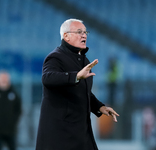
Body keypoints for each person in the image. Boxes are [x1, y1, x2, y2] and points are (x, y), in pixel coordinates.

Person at [35, 18, 119, 150]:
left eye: (85, 32)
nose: (84, 35)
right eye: (79, 32)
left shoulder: (85, 61)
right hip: (61, 133)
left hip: (81, 131)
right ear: (66, 36)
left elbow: (83, 92)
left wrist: (100, 107)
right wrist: (77, 76)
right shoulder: (56, 57)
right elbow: (48, 78)